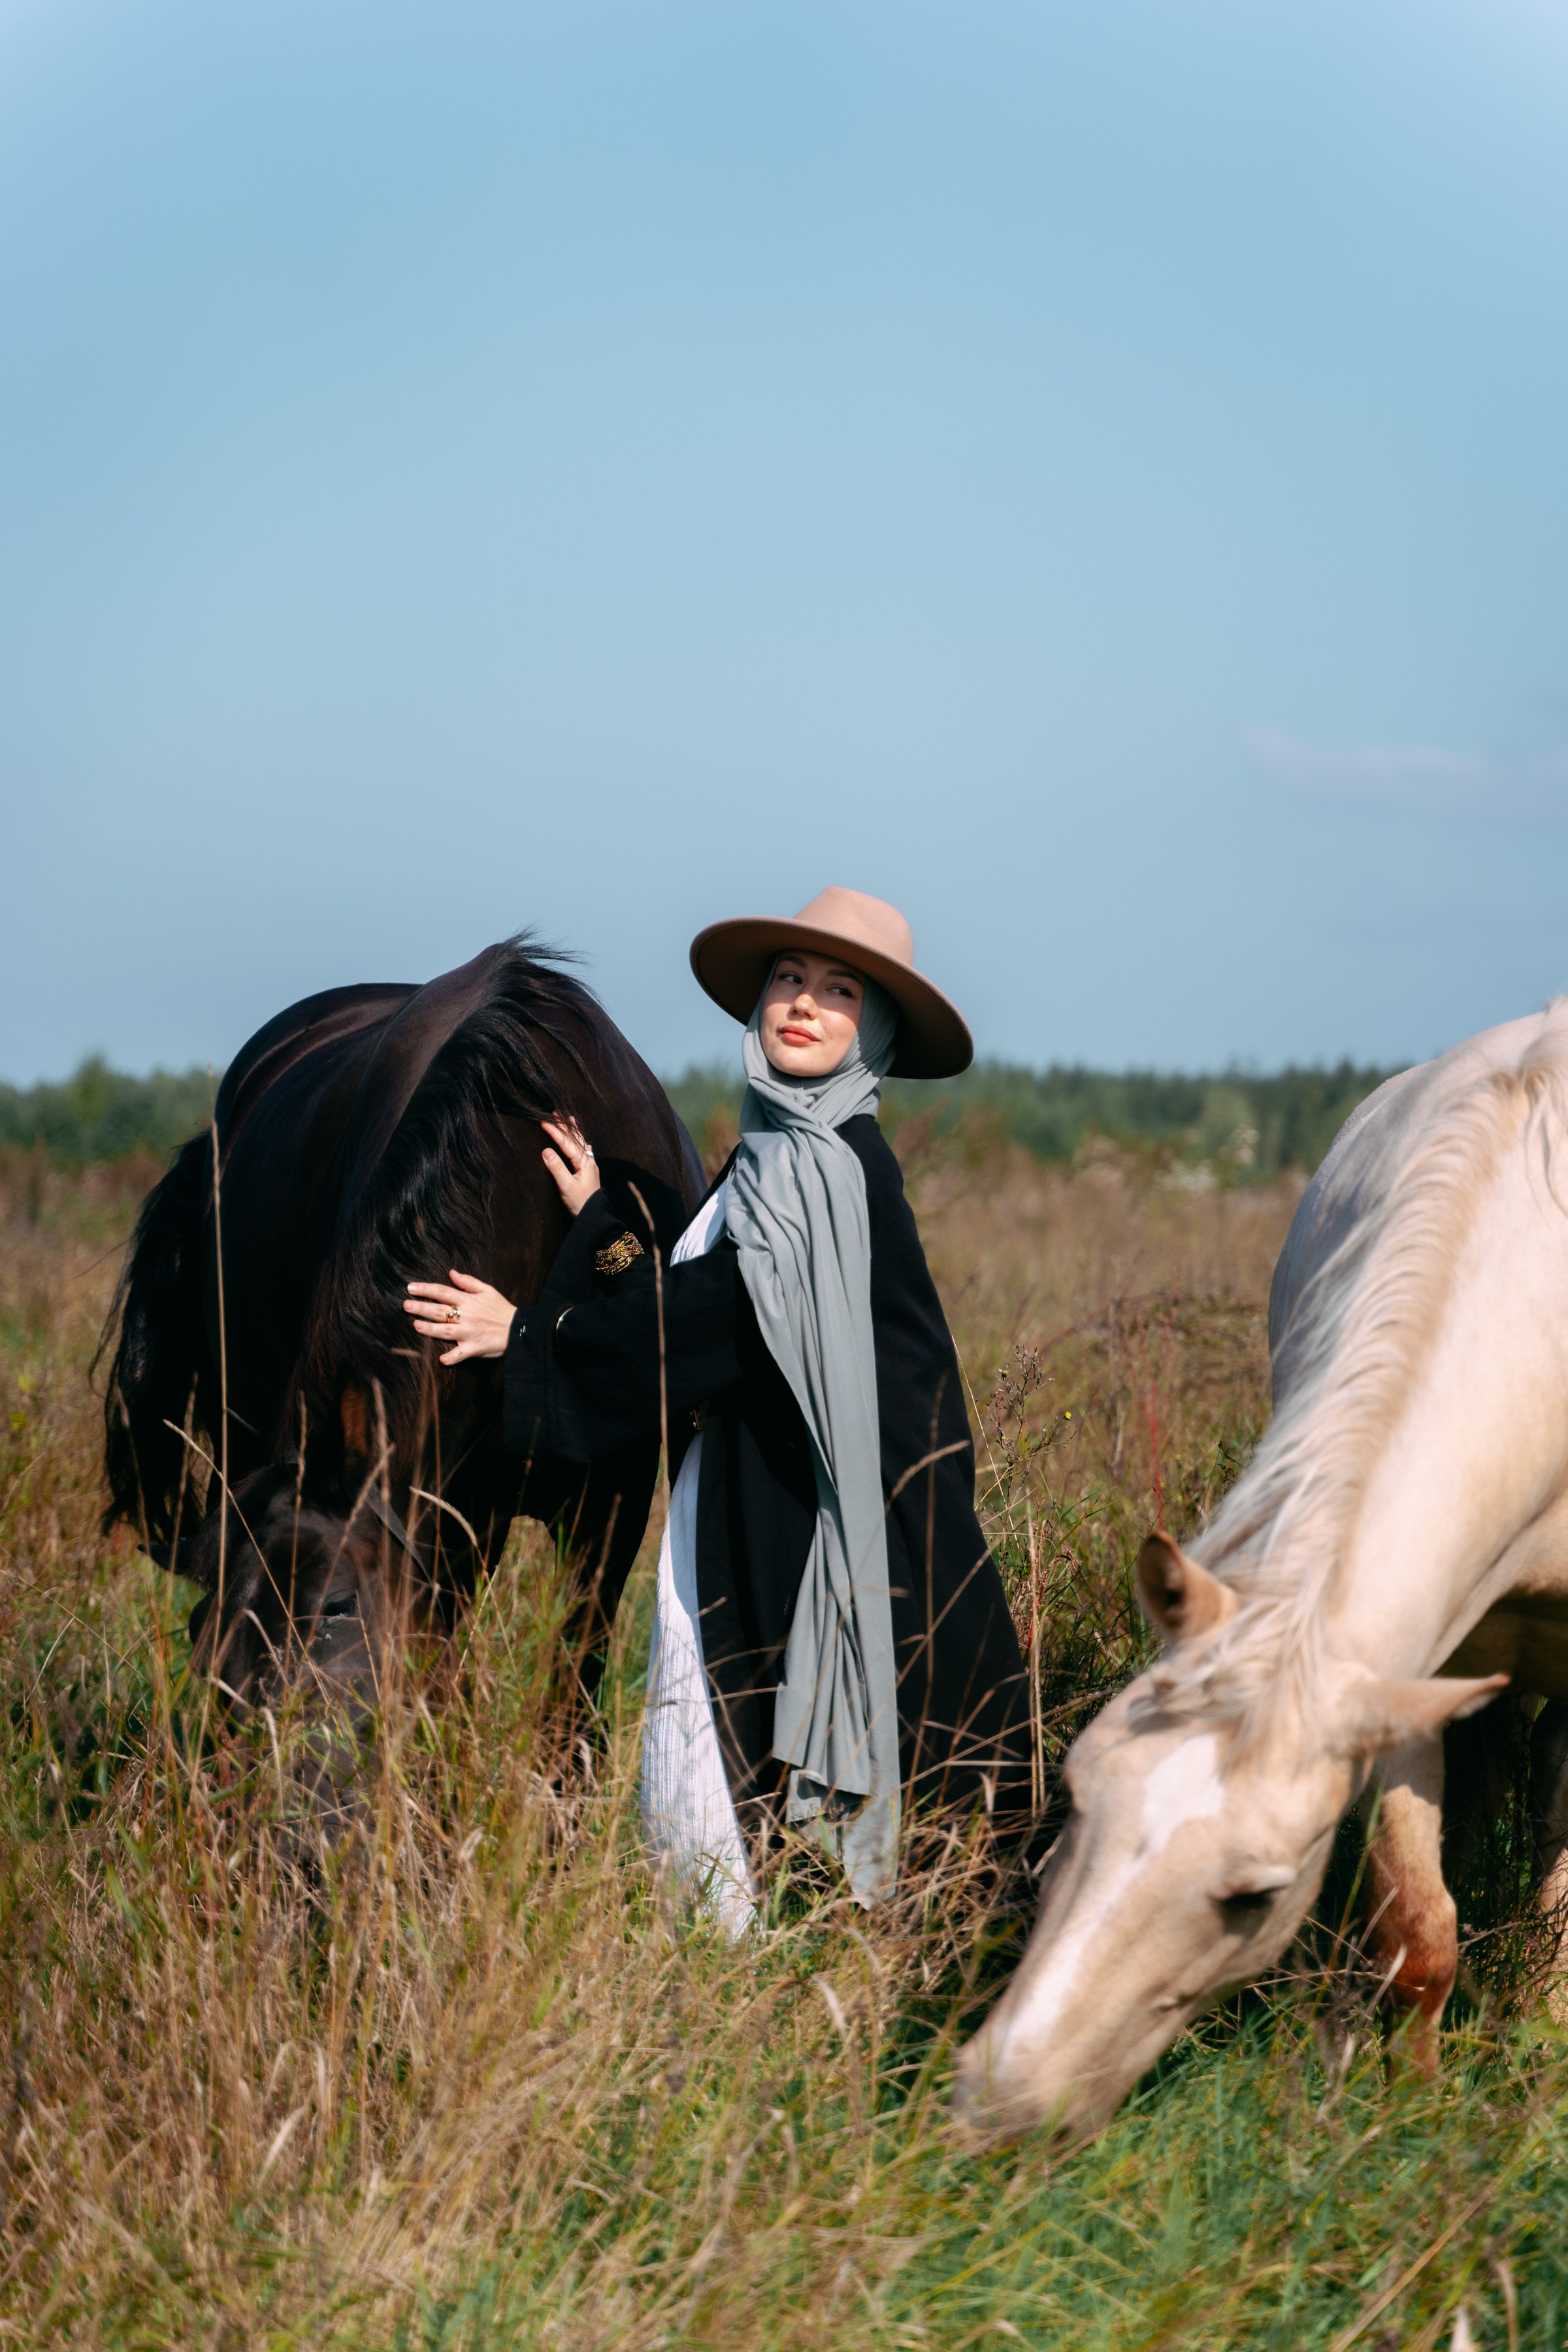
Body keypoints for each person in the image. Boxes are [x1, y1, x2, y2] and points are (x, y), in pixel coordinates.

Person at [404, 887, 1032, 1926]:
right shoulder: (777, 1158)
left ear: (870, 1031)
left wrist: (523, 1336)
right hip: (764, 1508)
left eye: (839, 992)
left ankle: (787, 2002)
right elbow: (699, 1301)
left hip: (831, 1533)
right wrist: (601, 1213)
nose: (803, 1004)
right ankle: (773, 1987)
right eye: (790, 978)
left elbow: (713, 1326)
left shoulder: (831, 1170)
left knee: (800, 1814)